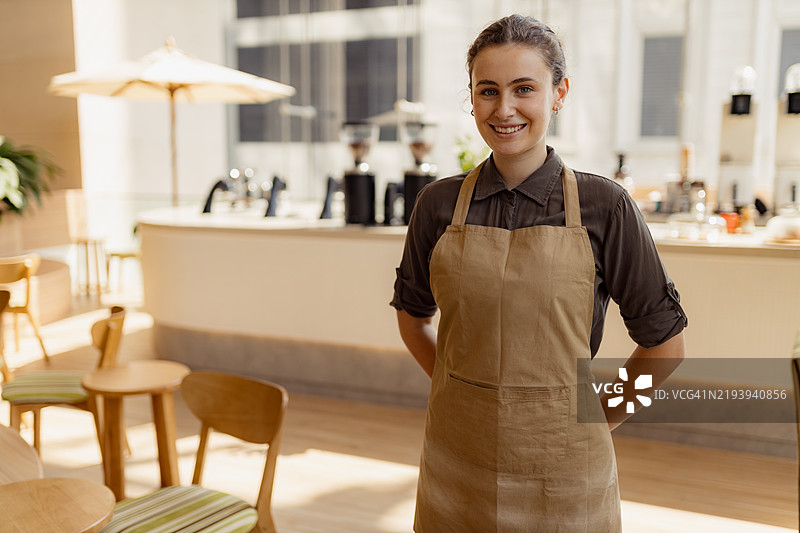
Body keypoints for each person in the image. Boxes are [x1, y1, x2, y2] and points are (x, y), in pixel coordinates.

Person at [390, 14, 687, 533]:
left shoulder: (605, 206)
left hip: (566, 473)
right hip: (456, 458)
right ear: (473, 97)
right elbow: (413, 317)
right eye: (488, 91)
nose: (504, 109)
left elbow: (666, 347)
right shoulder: (435, 205)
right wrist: (458, 390)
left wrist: (598, 418)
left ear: (558, 93)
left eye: (524, 88)